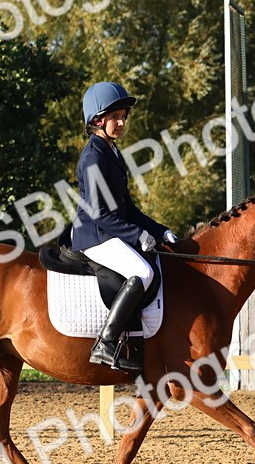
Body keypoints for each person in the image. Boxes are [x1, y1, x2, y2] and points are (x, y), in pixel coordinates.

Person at [71, 81, 177, 373]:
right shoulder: (94, 156)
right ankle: (106, 342)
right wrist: (137, 235)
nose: (121, 122)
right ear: (97, 120)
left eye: (123, 117)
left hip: (108, 230)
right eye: (114, 117)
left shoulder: (111, 152)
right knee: (142, 271)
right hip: (94, 235)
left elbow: (127, 208)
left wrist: (159, 230)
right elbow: (101, 213)